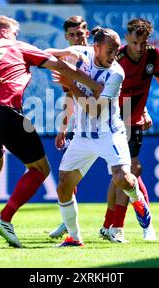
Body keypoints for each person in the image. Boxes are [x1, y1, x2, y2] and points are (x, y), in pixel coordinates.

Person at [0, 15, 102, 248]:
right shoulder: (17, 46)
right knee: (40, 169)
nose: (16, 36)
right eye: (15, 32)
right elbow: (58, 65)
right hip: (5, 110)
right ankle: (5, 218)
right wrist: (93, 84)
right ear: (6, 31)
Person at [52, 26, 151, 247]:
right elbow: (53, 54)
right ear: (95, 47)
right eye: (110, 50)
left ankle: (138, 200)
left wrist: (70, 85)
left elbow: (95, 110)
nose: (114, 55)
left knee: (122, 178)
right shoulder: (83, 54)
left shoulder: (116, 73)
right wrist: (31, 55)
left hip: (109, 133)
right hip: (83, 136)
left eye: (116, 50)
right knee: (63, 185)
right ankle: (74, 237)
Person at [99, 18, 159, 243]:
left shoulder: (153, 56)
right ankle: (113, 225)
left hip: (132, 120)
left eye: (142, 42)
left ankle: (116, 227)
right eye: (134, 42)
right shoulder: (117, 59)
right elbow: (103, 90)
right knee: (122, 175)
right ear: (126, 39)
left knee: (127, 172)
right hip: (111, 120)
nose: (139, 48)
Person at [46, 15, 91, 238]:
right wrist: (63, 128)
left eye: (80, 33)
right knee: (67, 175)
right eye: (71, 35)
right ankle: (68, 221)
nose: (76, 38)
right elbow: (70, 98)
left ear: (87, 33)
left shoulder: (98, 54)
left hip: (108, 123)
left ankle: (129, 224)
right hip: (82, 126)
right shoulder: (68, 61)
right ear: (66, 36)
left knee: (124, 173)